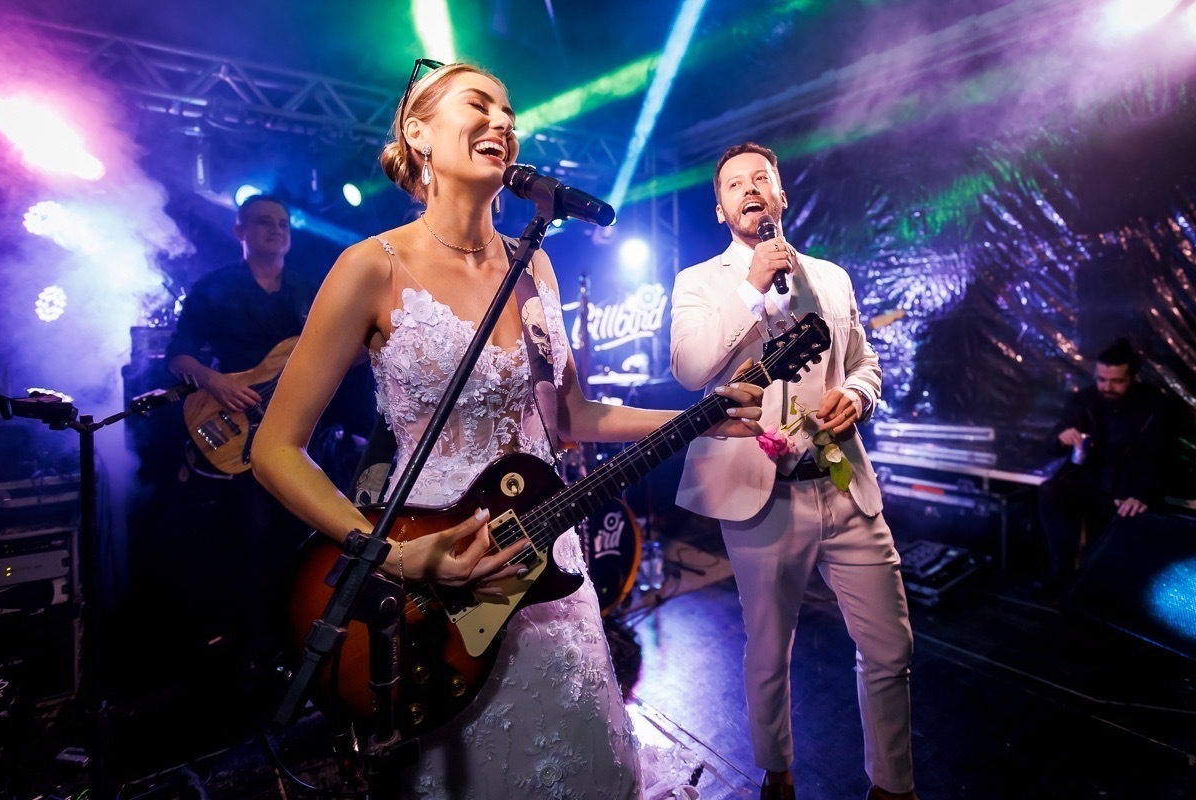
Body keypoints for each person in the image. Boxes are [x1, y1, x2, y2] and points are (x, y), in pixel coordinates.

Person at [251, 61, 763, 799]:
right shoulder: (372, 267)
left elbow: (572, 418)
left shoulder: (540, 270)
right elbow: (274, 449)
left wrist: (702, 414)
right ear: (418, 132)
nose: (503, 121)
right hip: (428, 578)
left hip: (548, 566)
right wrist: (397, 556)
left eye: (510, 110)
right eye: (479, 104)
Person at [669, 142, 917, 800]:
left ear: (781, 197)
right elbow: (692, 368)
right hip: (762, 496)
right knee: (769, 649)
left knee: (891, 648)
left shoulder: (831, 278)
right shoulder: (700, 282)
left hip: (843, 484)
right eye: (733, 184)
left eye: (761, 179)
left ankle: (894, 788)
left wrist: (858, 395)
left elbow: (864, 362)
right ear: (721, 208)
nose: (749, 189)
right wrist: (751, 284)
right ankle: (776, 774)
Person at [164, 193, 321, 675]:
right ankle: (253, 649)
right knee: (251, 537)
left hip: (301, 431)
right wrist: (216, 381)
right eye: (264, 222)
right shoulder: (214, 287)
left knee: (303, 537)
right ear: (241, 232)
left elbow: (335, 355)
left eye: (283, 223)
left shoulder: (307, 291)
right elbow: (179, 355)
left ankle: (299, 642)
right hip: (238, 430)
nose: (276, 230)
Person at [1035, 337, 1180, 595]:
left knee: (1116, 553)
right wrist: (1061, 438)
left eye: (1117, 381)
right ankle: (1061, 565)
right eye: (1102, 379)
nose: (1107, 387)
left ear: (1133, 377)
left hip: (1128, 487)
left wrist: (1143, 494)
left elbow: (1164, 458)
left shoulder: (1154, 405)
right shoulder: (1083, 401)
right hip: (1089, 482)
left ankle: (1109, 586)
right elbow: (1051, 444)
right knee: (1050, 490)